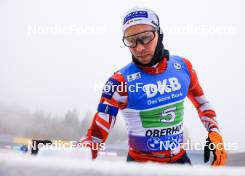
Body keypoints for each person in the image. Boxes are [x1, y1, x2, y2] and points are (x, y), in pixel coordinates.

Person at [79, 7, 227, 166]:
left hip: (181, 163)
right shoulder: (119, 83)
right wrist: (76, 157)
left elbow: (202, 104)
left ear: (159, 33)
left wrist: (215, 133)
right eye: (130, 41)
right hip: (140, 167)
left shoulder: (183, 67)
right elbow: (95, 137)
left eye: (146, 37)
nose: (139, 48)